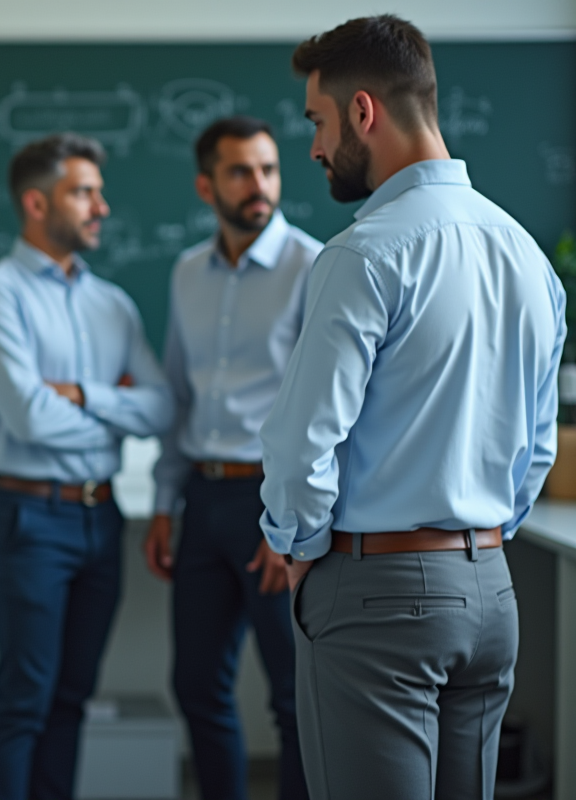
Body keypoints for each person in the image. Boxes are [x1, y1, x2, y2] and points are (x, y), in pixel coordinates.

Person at [259, 16, 565, 800]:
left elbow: (301, 446)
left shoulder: (363, 254)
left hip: (377, 595)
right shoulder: (528, 256)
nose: (314, 147)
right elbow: (538, 449)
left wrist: (299, 549)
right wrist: (476, 543)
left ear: (362, 111)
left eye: (318, 122)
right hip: (490, 590)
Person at [0, 133, 173, 800]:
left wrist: (81, 394)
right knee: (25, 697)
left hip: (101, 516)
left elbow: (161, 408)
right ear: (36, 202)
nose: (101, 208)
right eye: (84, 193)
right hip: (31, 517)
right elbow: (29, 418)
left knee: (73, 697)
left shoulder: (113, 304)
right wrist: (116, 408)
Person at [145, 115, 319, 800]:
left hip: (271, 502)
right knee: (195, 685)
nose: (259, 185)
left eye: (269, 169)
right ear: (206, 186)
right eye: (241, 172)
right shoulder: (188, 272)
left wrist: (292, 523)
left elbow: (325, 409)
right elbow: (179, 393)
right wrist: (164, 504)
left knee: (292, 695)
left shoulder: (314, 266)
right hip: (202, 497)